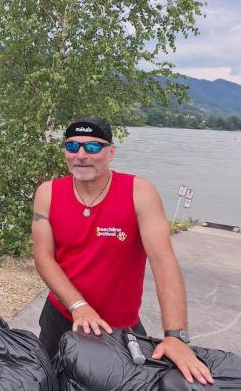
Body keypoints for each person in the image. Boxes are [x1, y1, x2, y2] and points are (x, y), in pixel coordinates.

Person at [32, 117, 214, 386]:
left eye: (93, 147)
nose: (81, 155)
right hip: (61, 316)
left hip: (120, 326)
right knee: (48, 383)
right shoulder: (48, 192)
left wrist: (175, 335)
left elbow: (164, 263)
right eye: (73, 146)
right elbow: (43, 257)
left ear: (111, 152)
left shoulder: (139, 192)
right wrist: (79, 306)